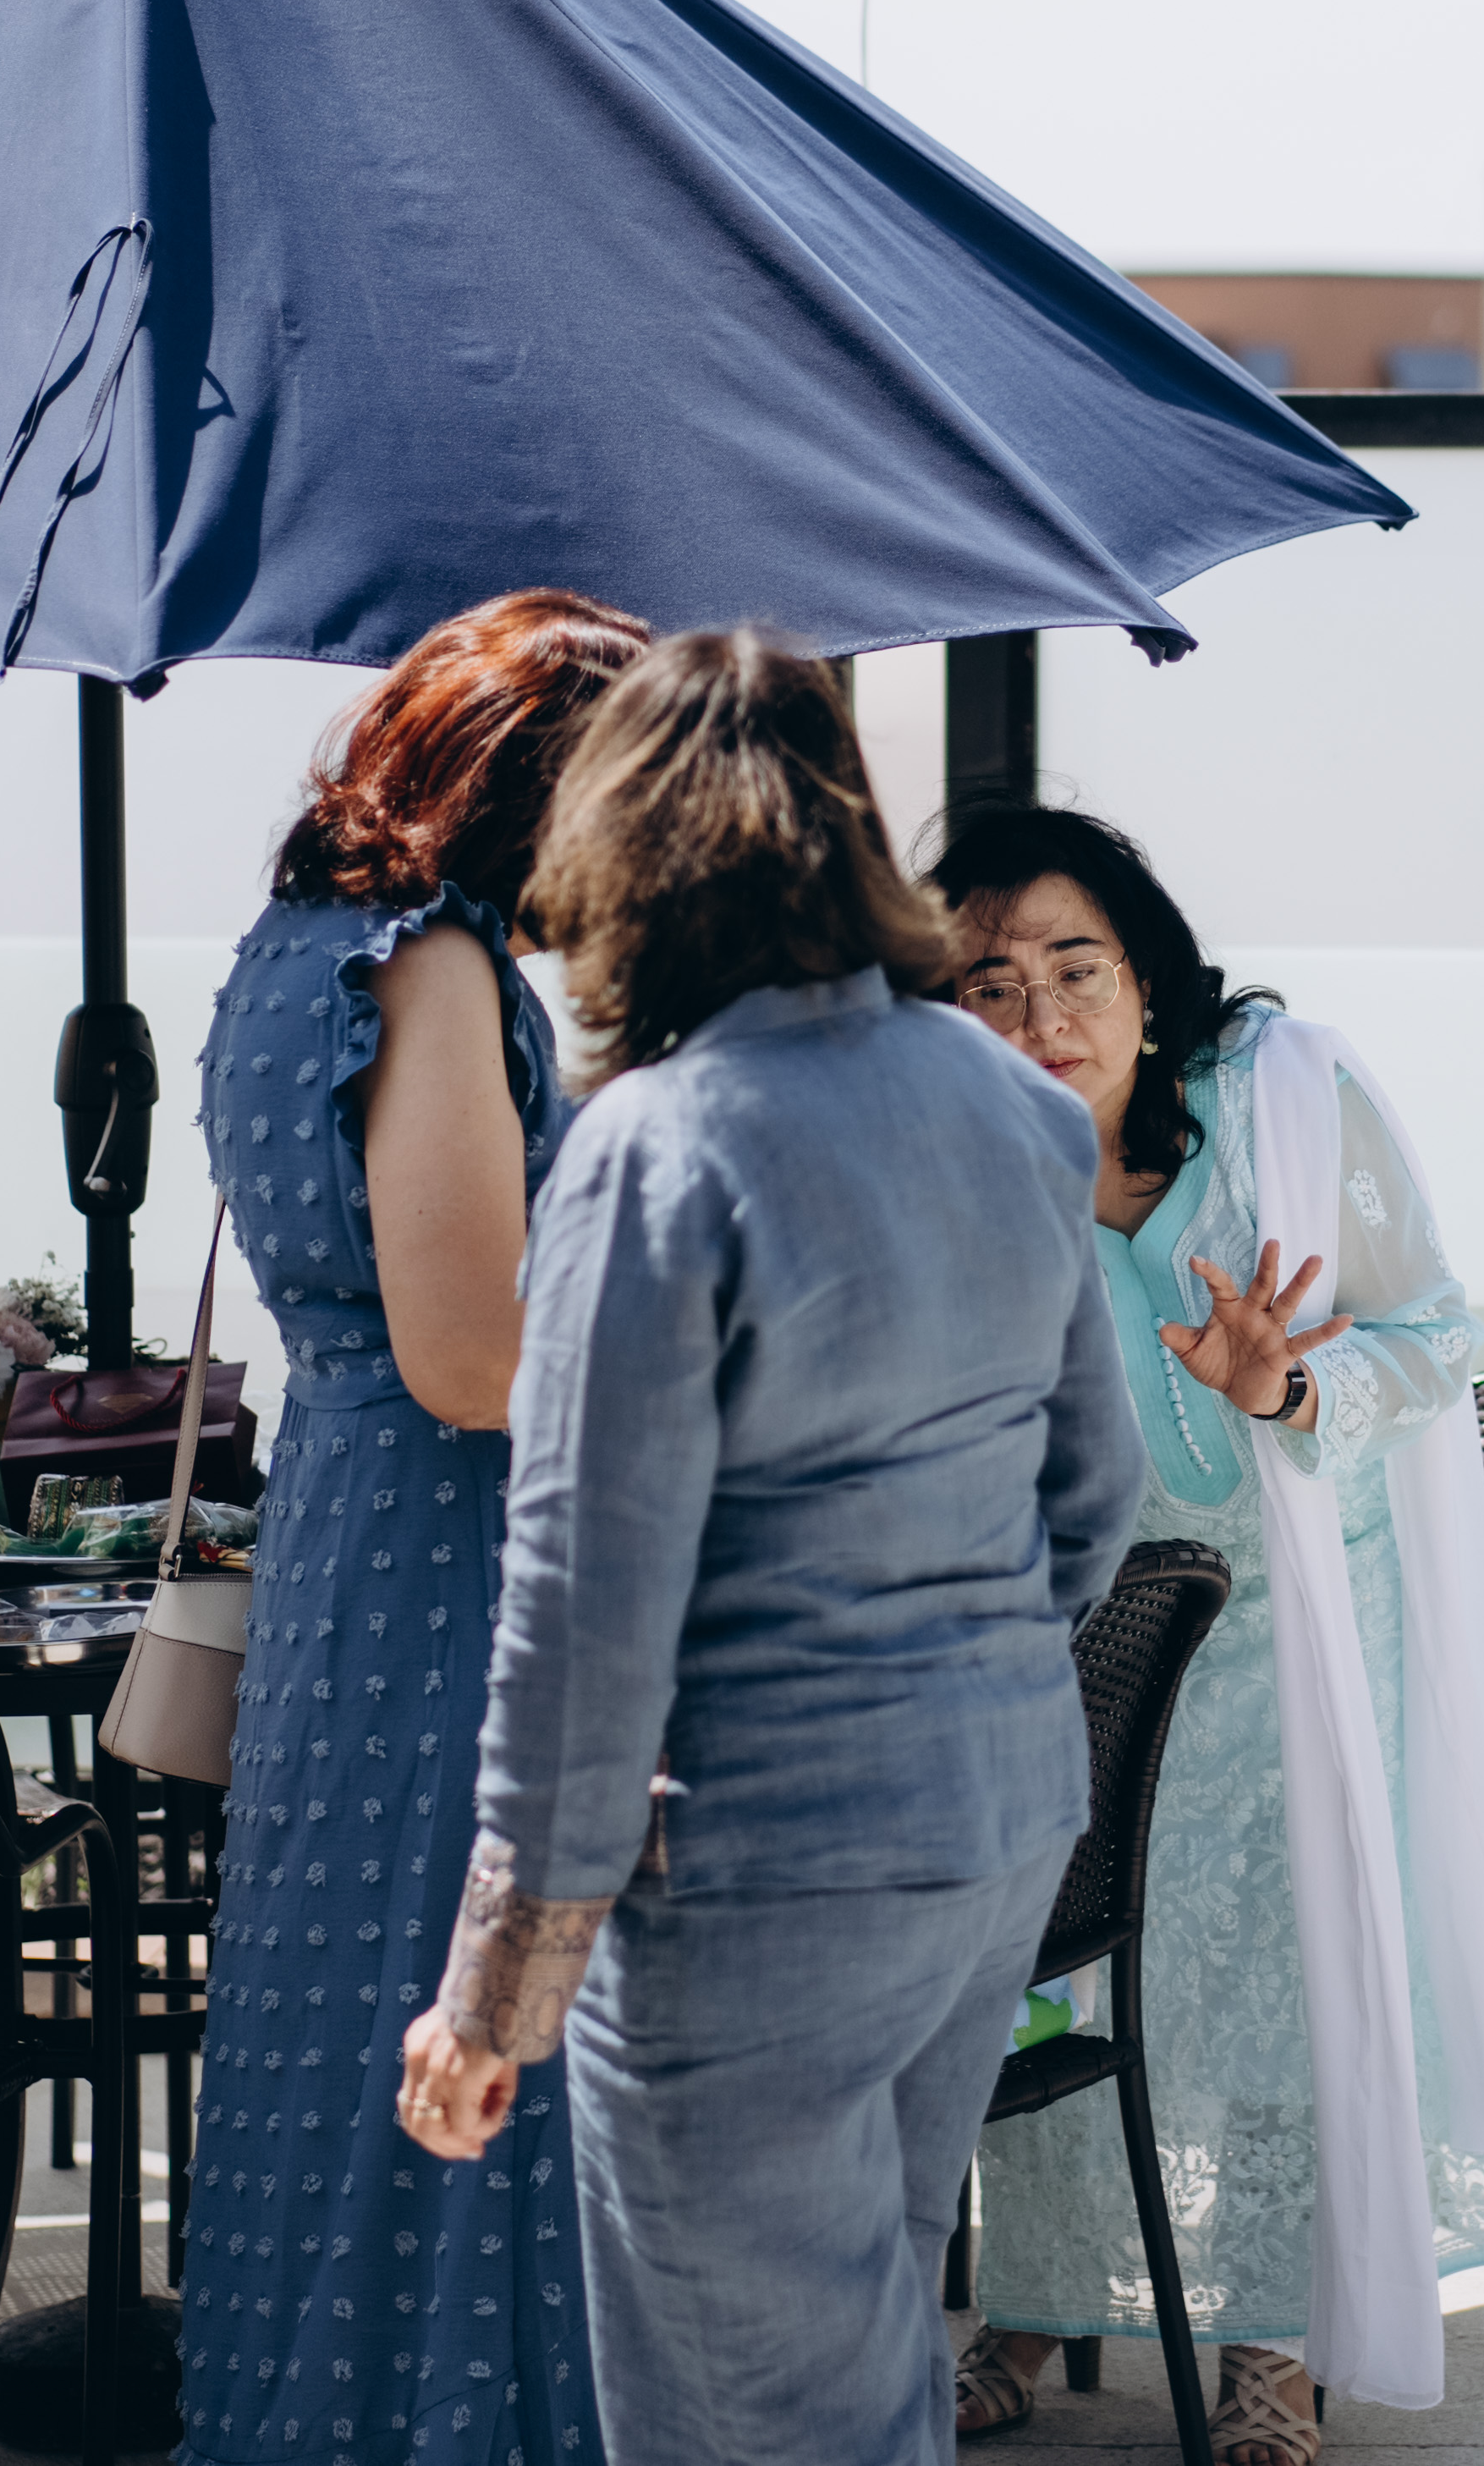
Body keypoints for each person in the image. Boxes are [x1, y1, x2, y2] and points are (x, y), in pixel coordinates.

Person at [398, 629, 1146, 2466]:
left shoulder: (654, 1146)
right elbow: (1095, 1489)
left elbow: (585, 1605)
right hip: (993, 1822)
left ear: (622, 853)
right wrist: (952, 1661)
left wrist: (495, 1987)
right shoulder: (1017, 1108)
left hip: (763, 1866)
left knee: (750, 2411)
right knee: (866, 2354)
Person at [926, 805, 1484, 2464]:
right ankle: (1037, 2301)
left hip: (1315, 1632)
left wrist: (1284, 1382)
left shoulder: (1283, 1102)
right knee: (1056, 1970)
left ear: (1147, 982)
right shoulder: (951, 1166)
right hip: (1084, 1641)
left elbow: (1435, 1333)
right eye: (990, 983)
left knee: (1285, 1986)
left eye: (1078, 966)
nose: (1042, 1014)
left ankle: (1272, 2345)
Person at [179, 585, 649, 2466]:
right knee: (464, 2032)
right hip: (448, 1553)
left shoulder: (287, 944)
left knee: (341, 2019)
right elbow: (469, 1354)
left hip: (349, 1537)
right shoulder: (430, 959)